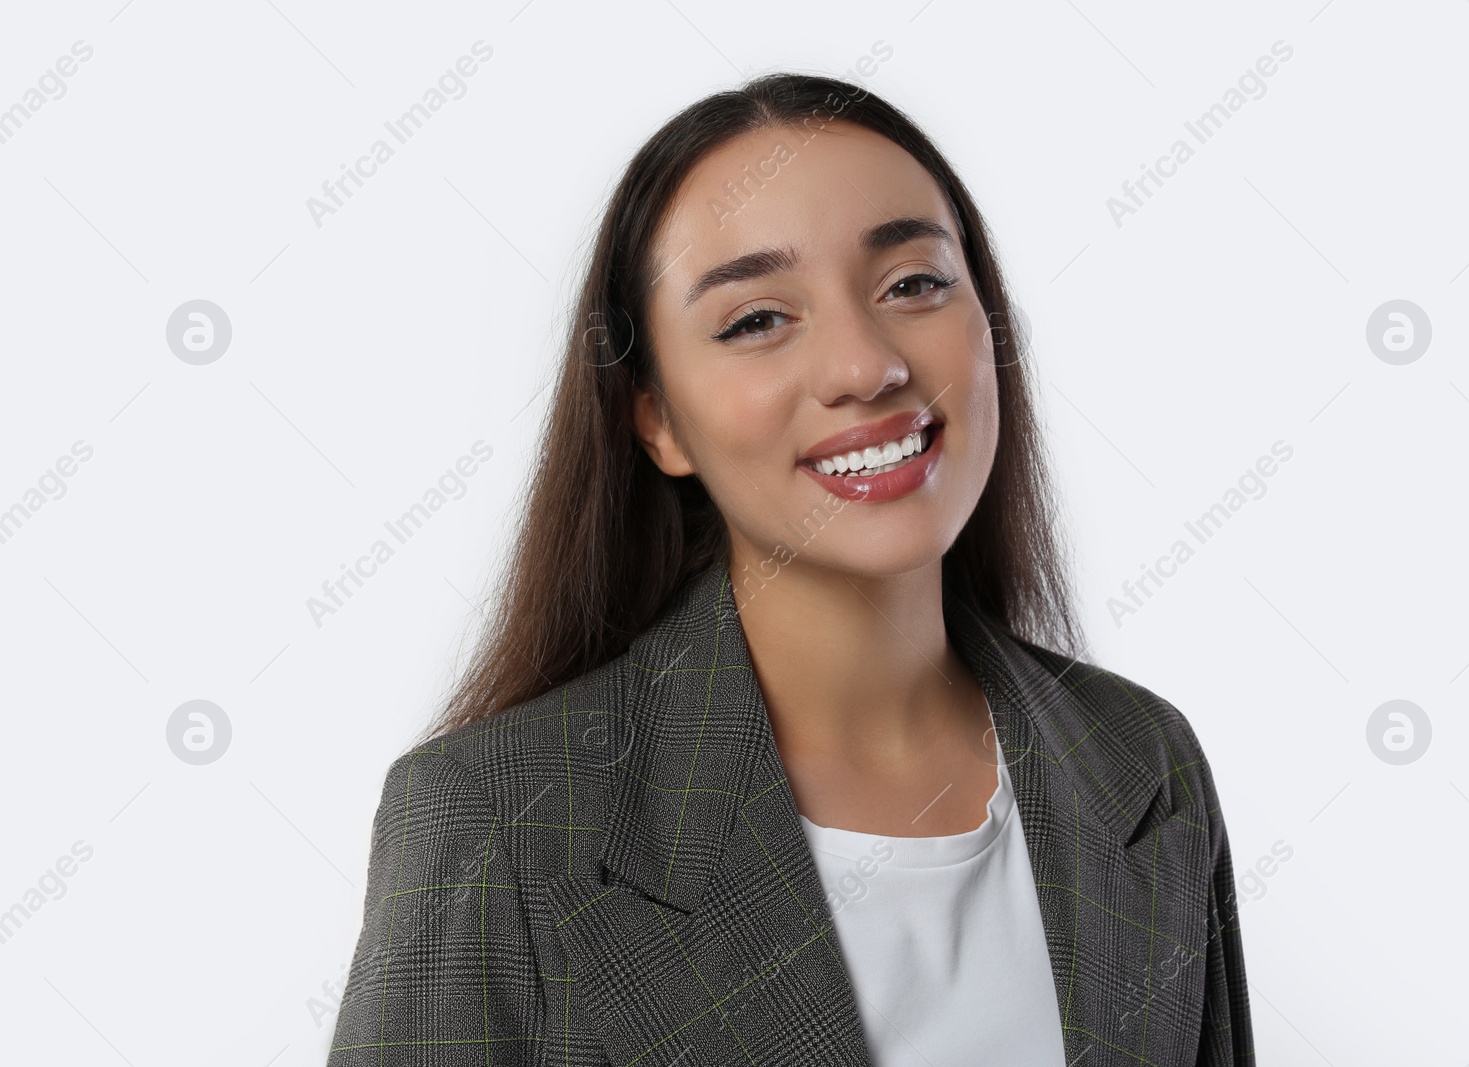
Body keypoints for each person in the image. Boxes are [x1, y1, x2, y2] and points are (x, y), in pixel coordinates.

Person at [326, 71, 1253, 1066]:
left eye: (913, 283)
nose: (865, 366)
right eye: (757, 318)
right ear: (657, 418)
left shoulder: (1136, 761)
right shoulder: (496, 821)